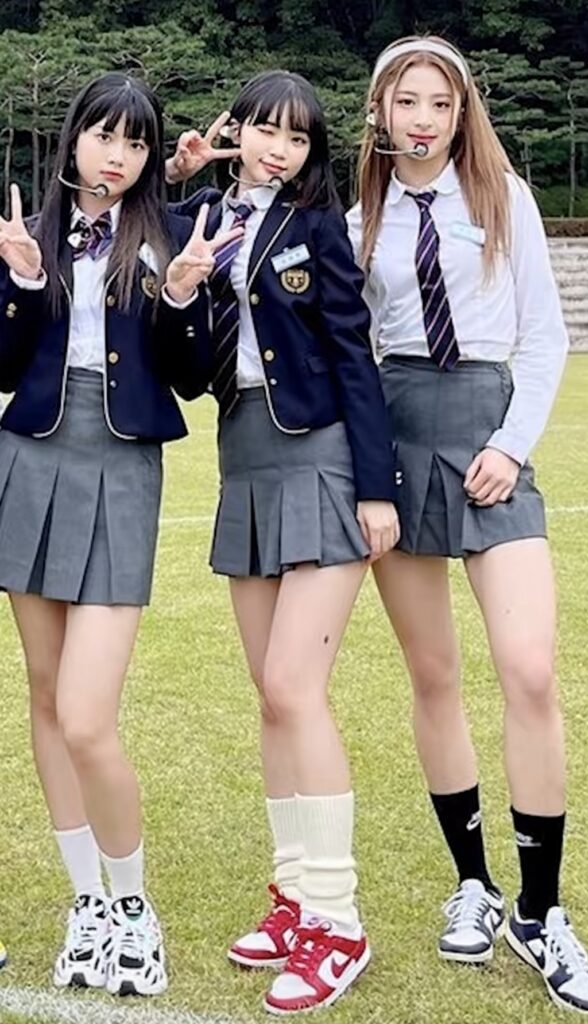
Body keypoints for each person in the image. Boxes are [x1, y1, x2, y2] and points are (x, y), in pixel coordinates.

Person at [346, 35, 588, 1015]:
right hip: (398, 433)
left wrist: (509, 441)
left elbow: (543, 332)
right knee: (434, 675)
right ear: (379, 111)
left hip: (489, 428)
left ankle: (540, 909)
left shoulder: (503, 198)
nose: (422, 119)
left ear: (461, 115)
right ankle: (474, 884)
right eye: (406, 101)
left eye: (440, 104)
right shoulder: (358, 216)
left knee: (528, 670)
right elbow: (351, 348)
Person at [166, 69, 399, 1014]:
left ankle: (338, 921)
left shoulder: (318, 227)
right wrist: (180, 197)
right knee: (271, 697)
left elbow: (353, 353)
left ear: (312, 152)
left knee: (297, 688)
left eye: (298, 138)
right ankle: (295, 897)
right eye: (265, 130)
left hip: (323, 459)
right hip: (246, 462)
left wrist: (376, 490)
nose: (279, 149)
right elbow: (184, 363)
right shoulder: (200, 218)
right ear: (237, 132)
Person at [0, 71, 233, 997]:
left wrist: (179, 295)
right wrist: (22, 281)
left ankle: (134, 908)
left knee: (88, 716)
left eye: (136, 143)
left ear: (149, 156)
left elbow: (191, 377)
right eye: (104, 135)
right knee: (46, 697)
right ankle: (86, 902)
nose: (118, 155)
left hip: (123, 468)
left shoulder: (172, 231)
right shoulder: (31, 230)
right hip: (30, 463)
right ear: (75, 139)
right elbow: (4, 365)